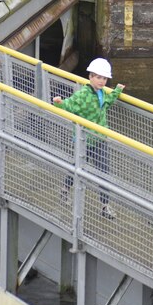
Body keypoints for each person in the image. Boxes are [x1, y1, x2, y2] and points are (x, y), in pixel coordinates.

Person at [52, 57, 126, 219]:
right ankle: (65, 189)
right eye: (98, 77)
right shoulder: (84, 94)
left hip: (99, 140)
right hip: (84, 139)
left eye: (104, 78)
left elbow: (107, 102)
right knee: (77, 167)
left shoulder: (101, 93)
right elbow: (69, 105)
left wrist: (117, 91)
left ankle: (105, 205)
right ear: (90, 77)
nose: (101, 81)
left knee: (104, 172)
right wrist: (59, 103)